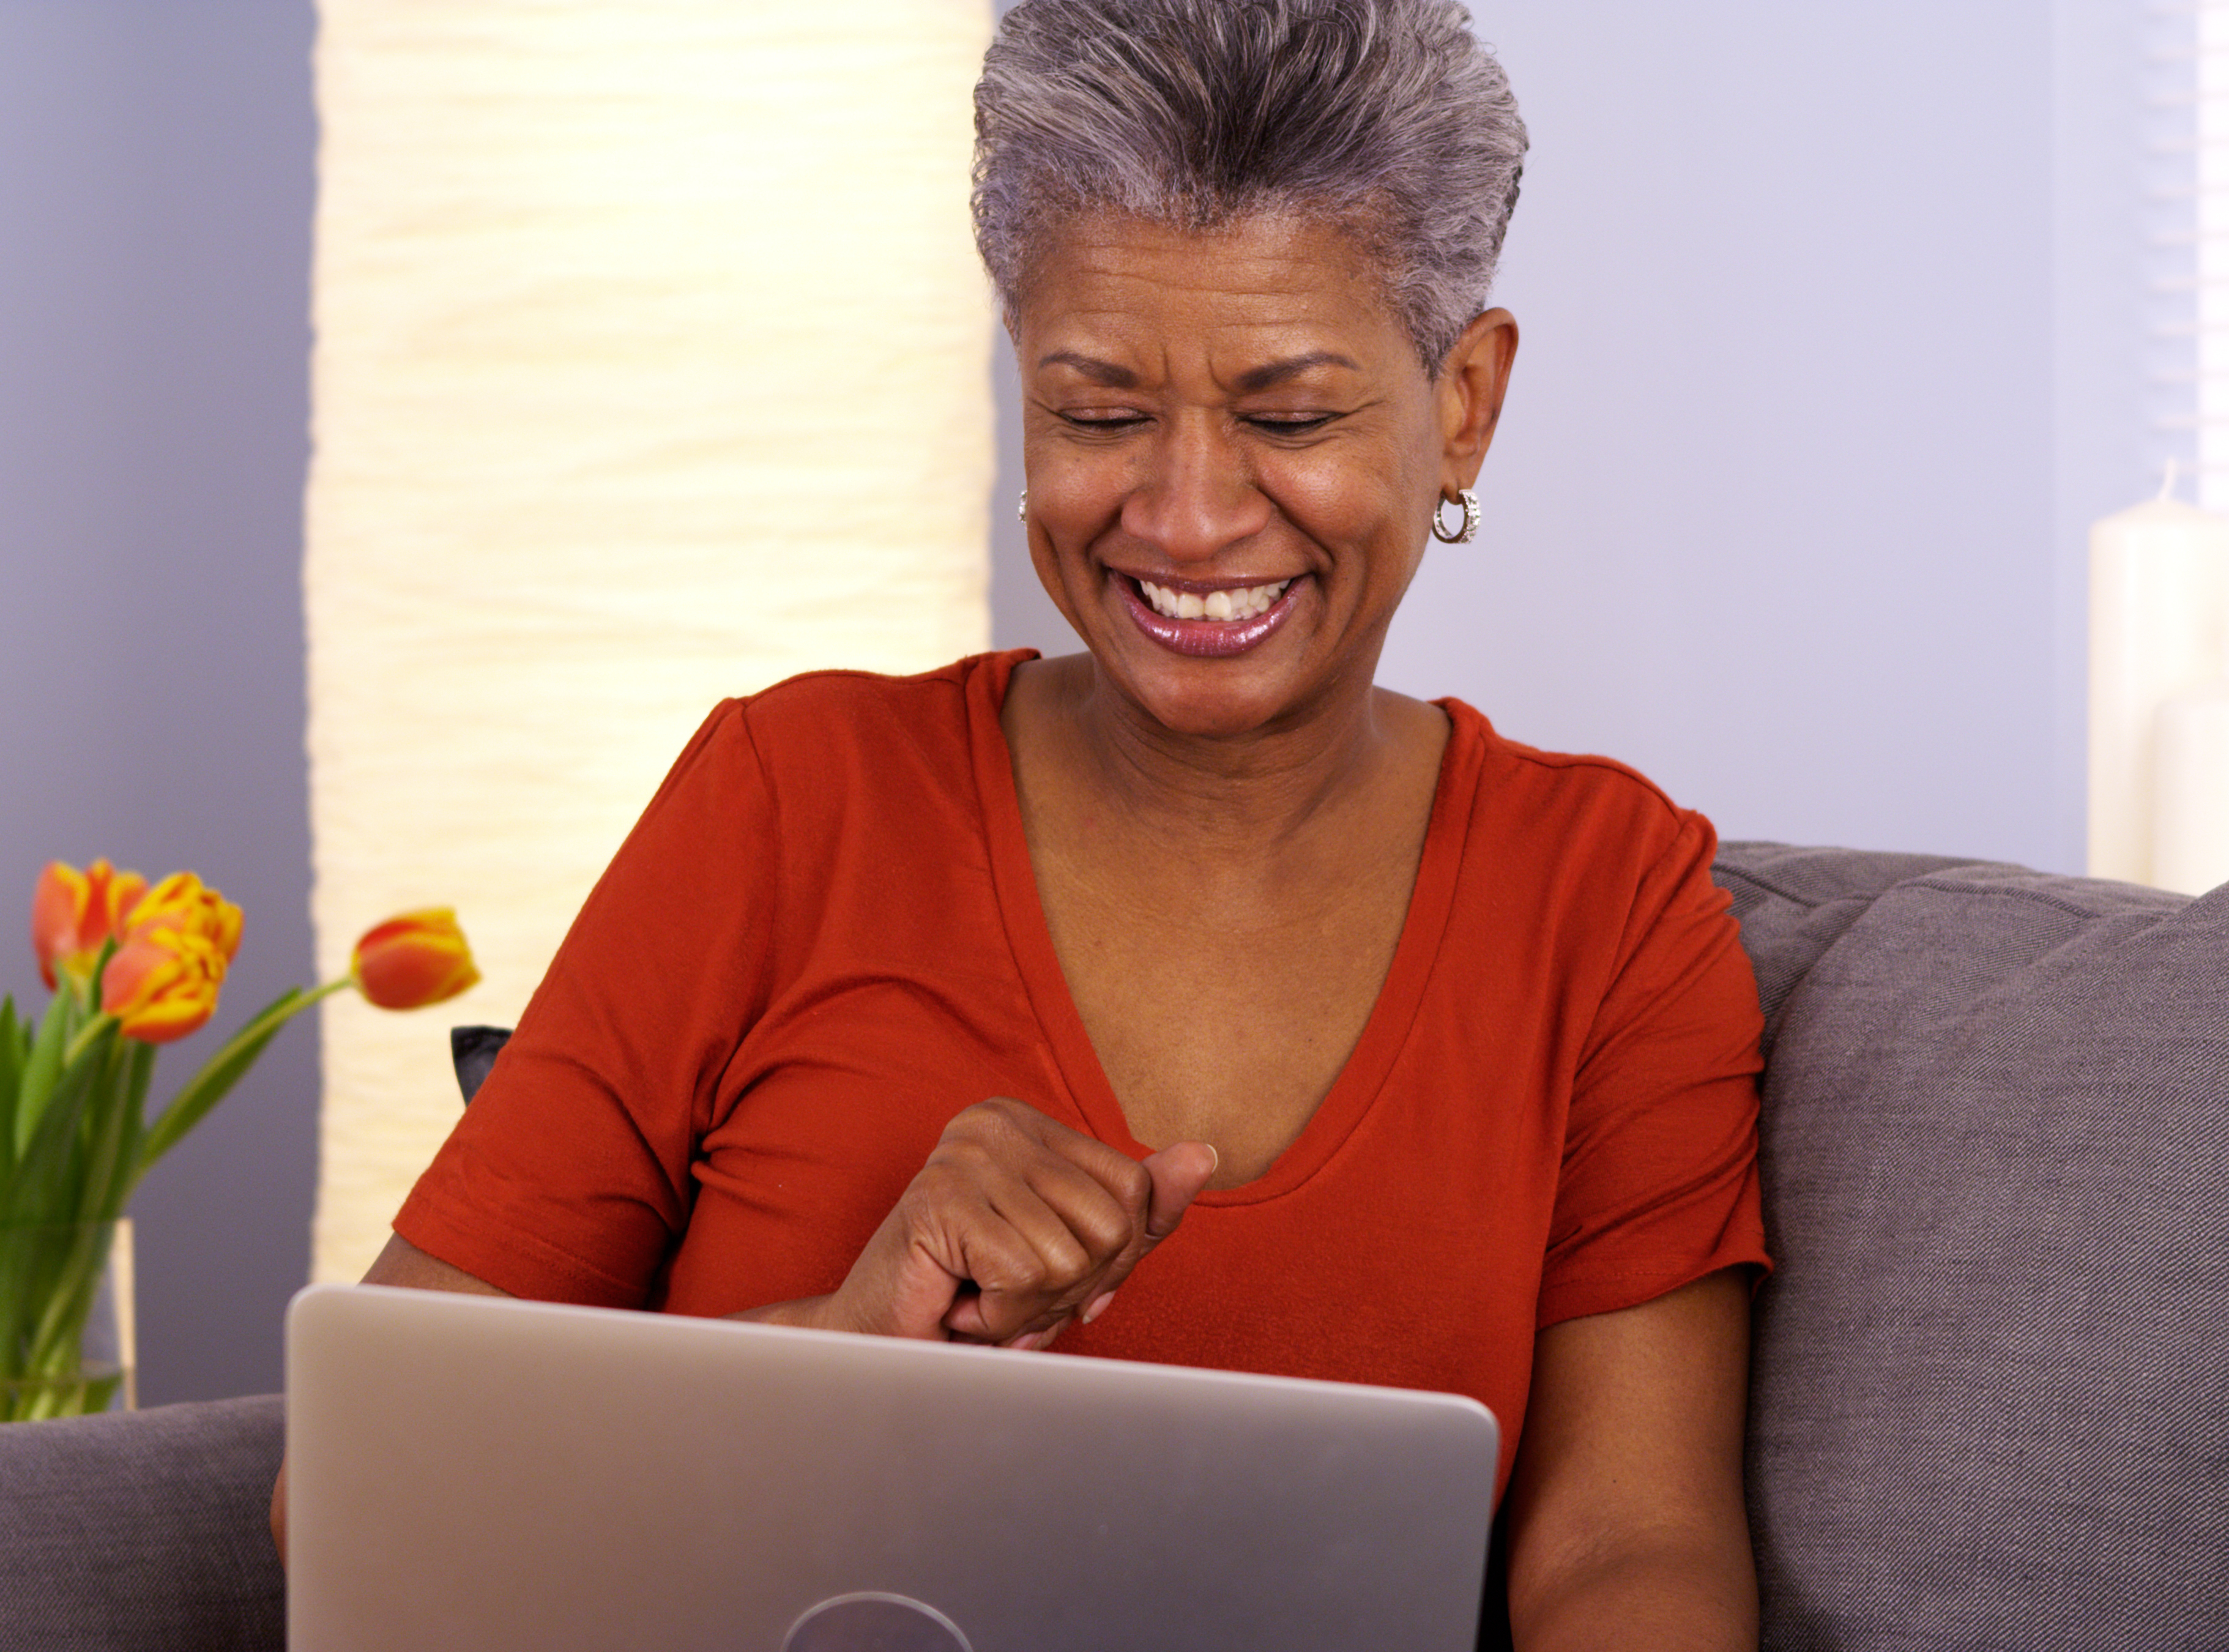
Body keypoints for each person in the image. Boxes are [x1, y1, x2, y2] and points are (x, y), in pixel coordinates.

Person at [288, 2, 1768, 1645]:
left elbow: (1630, 1550)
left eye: (1287, 416)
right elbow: (343, 1497)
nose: (1187, 515)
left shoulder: (1609, 902)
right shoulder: (792, 801)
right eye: (1100, 410)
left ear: (1466, 403)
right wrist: (869, 1327)